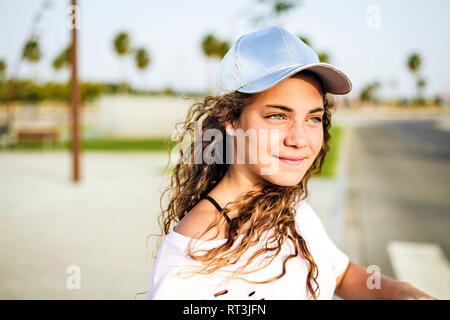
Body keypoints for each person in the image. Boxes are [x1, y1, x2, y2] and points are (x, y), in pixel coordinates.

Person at [146, 26, 435, 300]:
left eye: (313, 118)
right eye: (277, 116)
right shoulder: (194, 252)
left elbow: (343, 274)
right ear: (231, 121)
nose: (300, 139)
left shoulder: (292, 208)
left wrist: (399, 291)